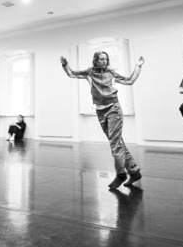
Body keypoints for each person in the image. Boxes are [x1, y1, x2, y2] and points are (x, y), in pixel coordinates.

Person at [60, 52, 144, 189]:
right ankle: (134, 172)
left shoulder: (111, 73)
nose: (104, 61)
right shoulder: (90, 72)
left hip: (114, 109)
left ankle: (121, 174)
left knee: (115, 144)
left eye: (106, 59)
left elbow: (129, 81)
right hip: (100, 111)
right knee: (118, 142)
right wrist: (65, 65)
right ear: (96, 60)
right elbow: (72, 74)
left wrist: (138, 66)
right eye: (101, 59)